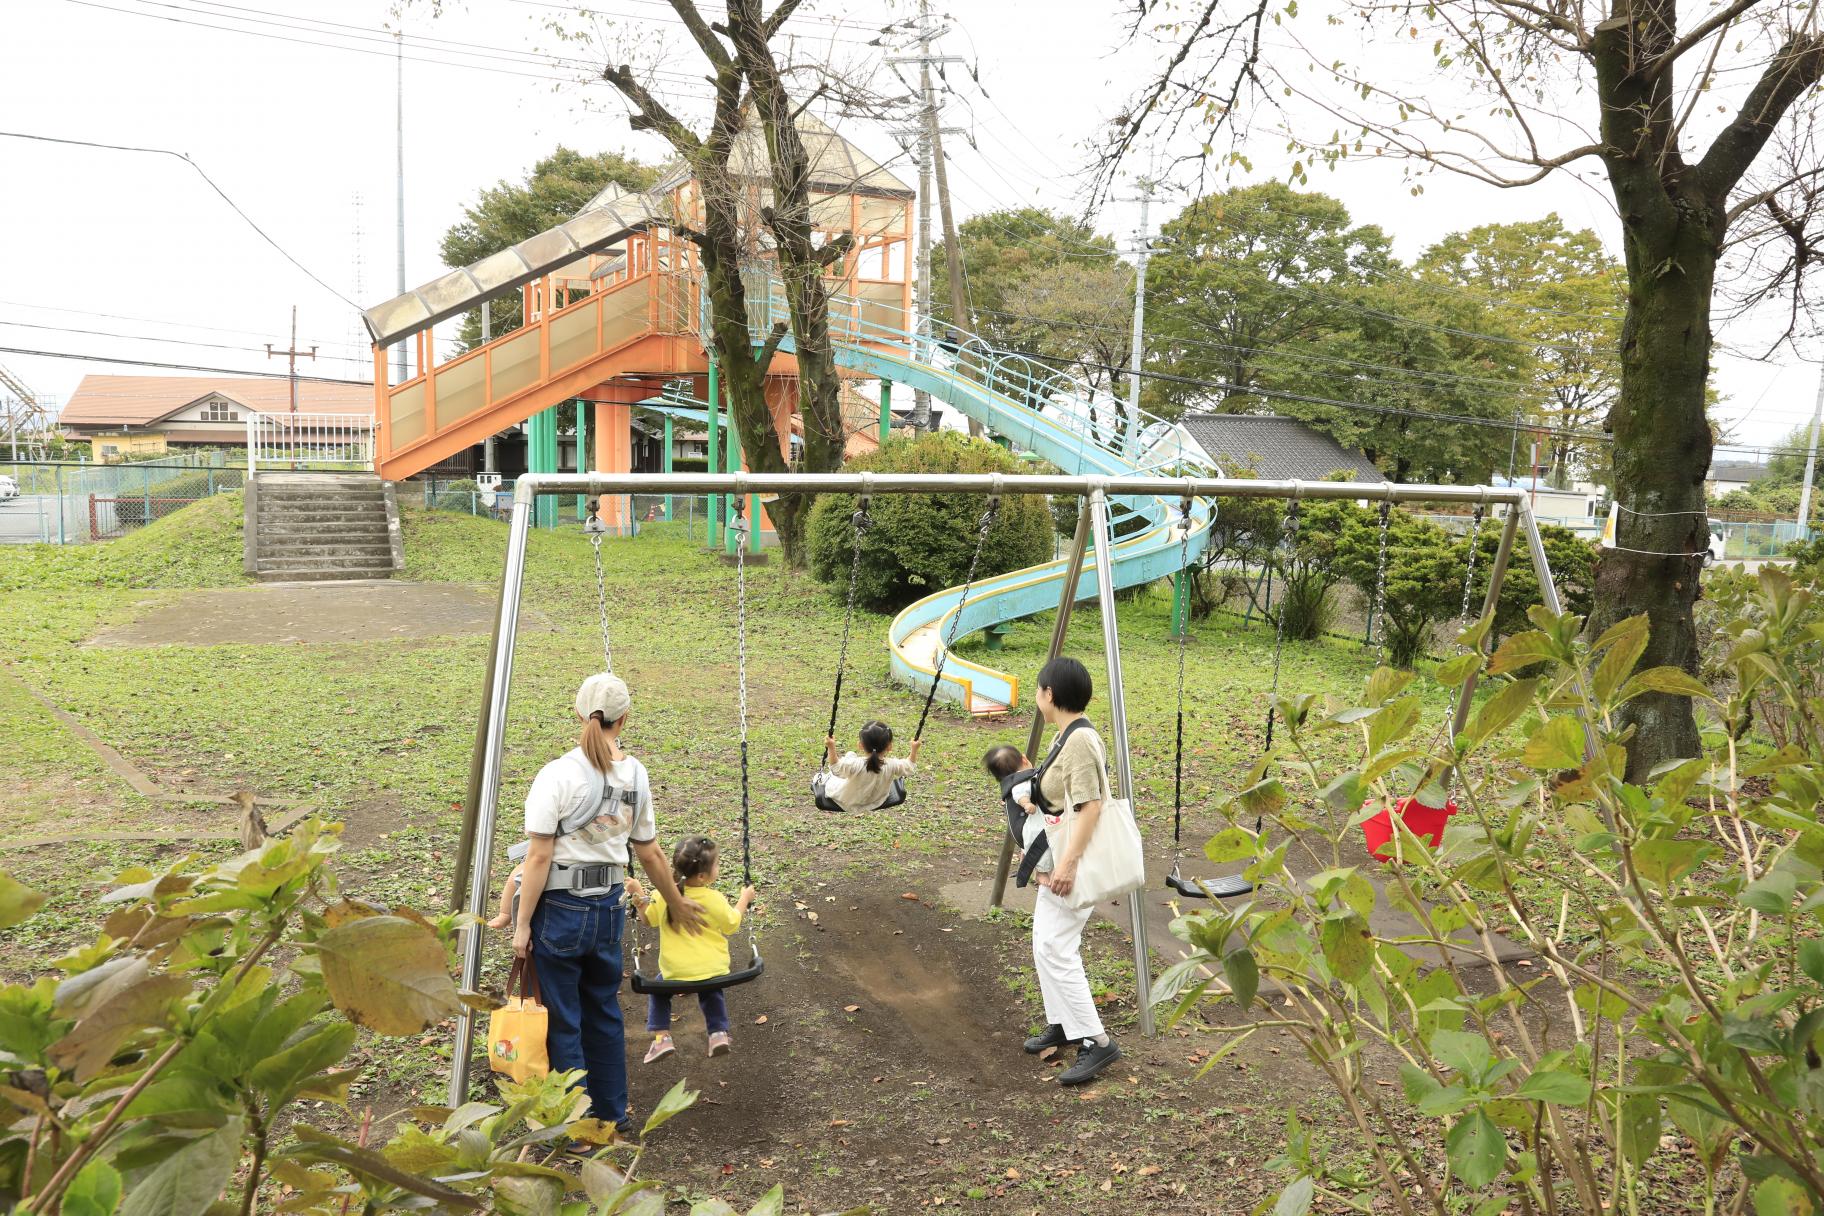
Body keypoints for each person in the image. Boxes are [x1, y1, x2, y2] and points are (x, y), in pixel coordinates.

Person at [512, 672, 707, 1137]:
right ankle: (613, 1115)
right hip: (607, 907)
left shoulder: (556, 774)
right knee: (602, 1012)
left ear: (578, 714)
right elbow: (650, 852)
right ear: (625, 719)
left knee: (563, 1019)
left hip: (559, 908)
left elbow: (539, 856)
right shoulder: (634, 774)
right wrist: (676, 903)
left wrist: (521, 925)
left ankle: (576, 1129)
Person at [1022, 656, 1122, 1086]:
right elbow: (1063, 797)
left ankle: (1097, 1042)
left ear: (1050, 694)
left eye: (1039, 689)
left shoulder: (1079, 740)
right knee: (1046, 943)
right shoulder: (1066, 736)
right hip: (1059, 856)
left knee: (1057, 947)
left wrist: (1068, 862)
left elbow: (1091, 804)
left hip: (1070, 860)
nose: (1037, 695)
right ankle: (1063, 1023)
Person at [625, 835, 757, 1062]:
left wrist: (637, 894)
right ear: (704, 876)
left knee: (659, 991)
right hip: (712, 969)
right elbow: (732, 924)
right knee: (711, 989)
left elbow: (647, 919)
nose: (719, 867)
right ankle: (717, 1033)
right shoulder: (714, 898)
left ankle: (661, 1038)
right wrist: (744, 898)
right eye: (717, 864)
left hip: (674, 971)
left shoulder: (663, 896)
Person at [819, 720, 920, 814]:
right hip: (876, 801)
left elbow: (836, 768)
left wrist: (831, 747)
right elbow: (909, 766)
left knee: (834, 775)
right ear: (889, 746)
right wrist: (914, 749)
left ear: (860, 745)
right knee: (850, 757)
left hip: (847, 801)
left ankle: (821, 778)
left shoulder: (855, 765)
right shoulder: (892, 765)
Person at [983, 745, 1049, 886]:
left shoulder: (1013, 781)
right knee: (1040, 846)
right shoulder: (1021, 782)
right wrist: (1027, 805)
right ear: (1024, 759)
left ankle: (1025, 863)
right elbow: (1021, 795)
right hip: (1032, 821)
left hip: (1024, 825)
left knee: (1029, 845)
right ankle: (1041, 872)